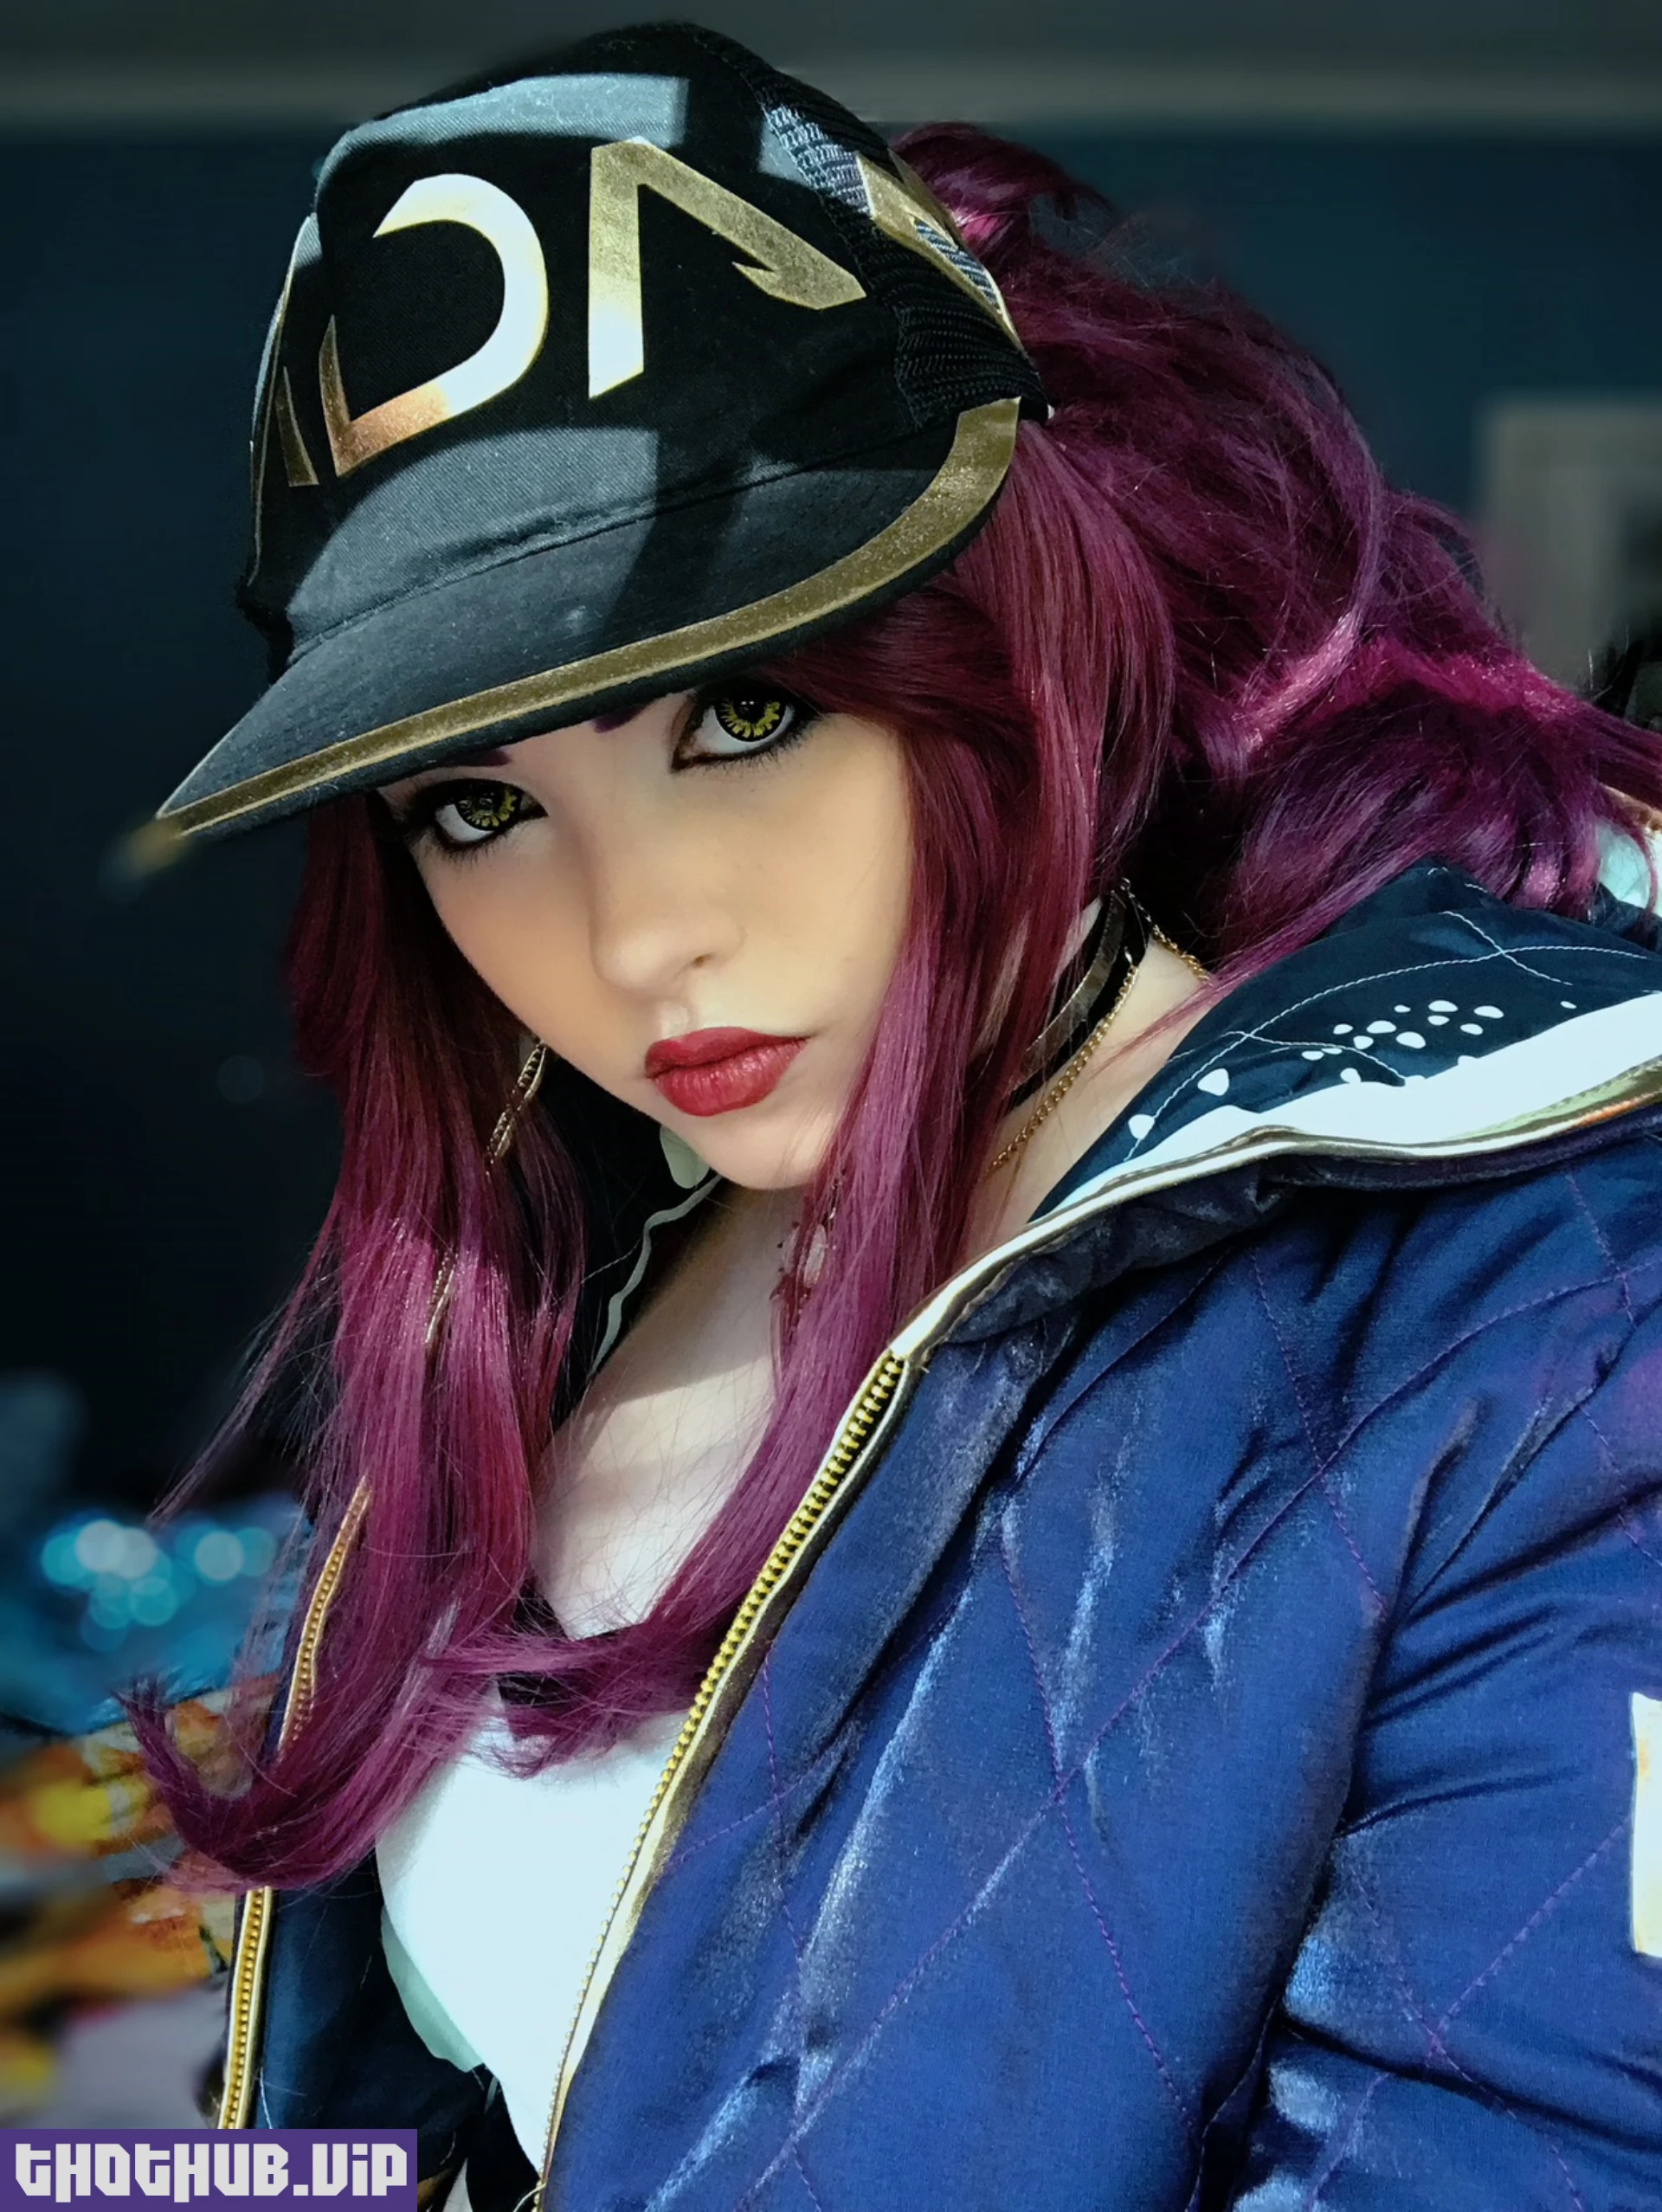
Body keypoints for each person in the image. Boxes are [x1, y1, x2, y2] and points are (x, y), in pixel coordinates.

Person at [138, 23, 1662, 2210]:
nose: (639, 935)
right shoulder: (569, 1257)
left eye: (749, 712)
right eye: (480, 805)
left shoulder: (1544, 1318)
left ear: (1016, 652)